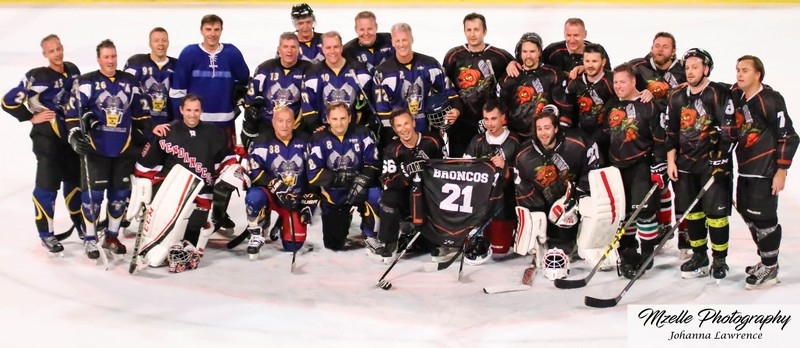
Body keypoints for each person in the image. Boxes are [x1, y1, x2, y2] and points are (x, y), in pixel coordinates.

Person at [65, 39, 151, 259]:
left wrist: (142, 136)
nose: (111, 61)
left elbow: (142, 112)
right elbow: (72, 112)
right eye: (106, 57)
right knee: (92, 197)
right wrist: (74, 134)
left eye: (113, 56)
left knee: (119, 196)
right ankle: (91, 239)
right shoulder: (86, 82)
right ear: (98, 59)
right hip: (96, 150)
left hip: (123, 149)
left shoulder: (130, 82)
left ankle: (111, 236)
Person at [132, 94, 239, 269]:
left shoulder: (214, 133)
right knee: (167, 236)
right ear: (181, 110)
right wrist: (143, 191)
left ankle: (183, 249)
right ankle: (160, 246)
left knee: (191, 234)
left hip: (202, 192)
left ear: (201, 111)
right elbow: (145, 166)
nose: (192, 114)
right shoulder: (166, 131)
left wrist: (234, 171)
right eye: (188, 110)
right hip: (172, 191)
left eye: (196, 110)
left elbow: (226, 159)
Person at [722, 55, 798, 289]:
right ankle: (765, 259)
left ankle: (771, 266)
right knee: (748, 213)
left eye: (745, 70)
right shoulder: (740, 97)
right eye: (737, 70)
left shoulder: (770, 100)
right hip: (745, 170)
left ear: (758, 74)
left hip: (764, 171)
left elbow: (789, 136)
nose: (739, 74)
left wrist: (781, 171)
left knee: (764, 219)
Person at [2, 34, 82, 253]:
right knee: (47, 186)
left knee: (75, 182)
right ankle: (46, 234)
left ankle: (82, 226)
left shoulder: (73, 70)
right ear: (45, 54)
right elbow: (7, 101)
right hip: (47, 140)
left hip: (70, 138)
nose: (57, 54)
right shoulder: (36, 76)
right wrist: (30, 116)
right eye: (51, 51)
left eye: (59, 48)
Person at [168, 14, 249, 232]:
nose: (212, 34)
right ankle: (192, 211)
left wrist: (237, 98)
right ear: (201, 30)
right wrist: (181, 122)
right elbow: (177, 89)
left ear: (221, 30)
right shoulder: (190, 53)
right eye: (208, 29)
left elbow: (244, 80)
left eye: (216, 29)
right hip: (197, 125)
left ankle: (220, 213)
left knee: (227, 170)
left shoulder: (231, 53)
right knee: (195, 169)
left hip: (224, 125)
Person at [664, 48, 734, 280]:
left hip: (712, 165)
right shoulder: (676, 96)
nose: (690, 71)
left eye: (695, 67)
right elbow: (671, 132)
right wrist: (671, 160)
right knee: (691, 214)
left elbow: (730, 130)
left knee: (716, 215)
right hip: (685, 166)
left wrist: (722, 157)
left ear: (706, 69)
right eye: (687, 67)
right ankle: (699, 256)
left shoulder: (719, 93)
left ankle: (720, 260)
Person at [596, 63, 666, 279]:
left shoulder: (649, 105)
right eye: (615, 82)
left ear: (634, 82)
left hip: (641, 166)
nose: (618, 86)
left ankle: (647, 253)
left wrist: (659, 165)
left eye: (622, 82)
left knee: (644, 212)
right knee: (624, 215)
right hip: (617, 168)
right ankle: (628, 253)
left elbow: (661, 138)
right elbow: (606, 136)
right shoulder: (611, 105)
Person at [515, 106, 598, 257]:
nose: (543, 133)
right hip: (545, 206)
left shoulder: (577, 144)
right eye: (539, 129)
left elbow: (592, 170)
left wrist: (576, 195)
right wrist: (536, 215)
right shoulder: (523, 155)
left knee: (567, 244)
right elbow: (523, 186)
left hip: (573, 201)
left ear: (556, 128)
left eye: (547, 128)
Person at [629, 31, 685, 254]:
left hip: (680, 138)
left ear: (673, 50)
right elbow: (615, 78)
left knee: (681, 188)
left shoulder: (684, 70)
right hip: (650, 138)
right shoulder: (638, 67)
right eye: (657, 45)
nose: (660, 49)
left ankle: (685, 239)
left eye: (665, 46)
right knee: (658, 186)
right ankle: (662, 227)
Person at [307, 102, 380, 251]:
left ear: (350, 118)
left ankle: (370, 234)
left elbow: (374, 163)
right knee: (333, 244)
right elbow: (313, 175)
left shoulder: (363, 133)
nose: (339, 123)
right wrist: (344, 178)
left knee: (376, 194)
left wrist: (363, 179)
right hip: (334, 192)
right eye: (334, 119)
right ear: (327, 119)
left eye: (343, 118)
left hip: (360, 187)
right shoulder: (318, 139)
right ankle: (344, 216)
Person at [374, 108, 445, 260]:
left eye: (406, 123)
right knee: (388, 197)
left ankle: (440, 239)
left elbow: (447, 167)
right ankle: (389, 242)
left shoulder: (433, 140)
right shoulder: (392, 149)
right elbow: (387, 181)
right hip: (406, 193)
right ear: (394, 129)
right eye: (398, 126)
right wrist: (405, 173)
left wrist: (428, 169)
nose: (404, 129)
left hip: (431, 192)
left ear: (414, 123)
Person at [243, 106, 315, 256]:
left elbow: (315, 170)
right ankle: (258, 230)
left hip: (294, 199)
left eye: (289, 121)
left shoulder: (306, 141)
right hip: (269, 195)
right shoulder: (261, 142)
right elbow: (253, 170)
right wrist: (274, 184)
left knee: (293, 245)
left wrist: (310, 198)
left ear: (294, 122)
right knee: (254, 197)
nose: (285, 125)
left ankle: (284, 221)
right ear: (273, 122)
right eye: (280, 121)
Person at [374, 23, 461, 143]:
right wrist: (395, 135)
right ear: (392, 43)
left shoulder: (430, 65)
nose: (401, 44)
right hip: (400, 137)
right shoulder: (383, 72)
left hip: (429, 134)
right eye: (397, 41)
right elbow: (382, 111)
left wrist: (456, 109)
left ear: (412, 40)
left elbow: (450, 93)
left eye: (404, 40)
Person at [442, 12, 514, 158]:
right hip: (460, 123)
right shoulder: (453, 56)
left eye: (476, 29)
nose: (472, 34)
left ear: (484, 31)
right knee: (460, 164)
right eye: (469, 30)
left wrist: (514, 62)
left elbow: (517, 73)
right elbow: (445, 87)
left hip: (489, 122)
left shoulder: (500, 56)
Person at [462, 100, 522, 263]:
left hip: (505, 202)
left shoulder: (515, 141)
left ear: (503, 118)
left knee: (499, 253)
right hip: (479, 200)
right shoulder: (477, 140)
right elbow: (464, 169)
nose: (489, 124)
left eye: (493, 119)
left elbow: (524, 173)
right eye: (486, 119)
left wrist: (506, 167)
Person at [241, 32, 311, 147]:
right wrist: (251, 118)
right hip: (267, 126)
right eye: (285, 46)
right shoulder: (264, 69)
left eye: (293, 47)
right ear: (279, 49)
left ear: (299, 49)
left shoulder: (308, 70)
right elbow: (250, 100)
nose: (289, 51)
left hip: (297, 128)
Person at [300, 31, 373, 131]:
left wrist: (358, 127)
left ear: (342, 47)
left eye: (336, 47)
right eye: (328, 48)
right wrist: (318, 128)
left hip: (354, 129)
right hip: (324, 130)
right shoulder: (312, 74)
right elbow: (308, 107)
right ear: (322, 49)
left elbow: (367, 105)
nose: (332, 51)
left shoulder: (360, 71)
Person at [499, 32, 565, 137]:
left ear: (539, 52)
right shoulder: (510, 76)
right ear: (520, 53)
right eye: (525, 51)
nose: (528, 56)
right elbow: (501, 106)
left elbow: (563, 105)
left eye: (532, 51)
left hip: (544, 136)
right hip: (514, 135)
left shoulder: (553, 74)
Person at [507, 18, 611, 80]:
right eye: (568, 35)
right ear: (564, 34)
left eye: (576, 35)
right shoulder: (553, 50)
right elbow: (531, 60)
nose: (572, 40)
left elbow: (608, 77)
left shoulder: (596, 52)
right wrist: (513, 63)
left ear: (585, 34)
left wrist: (588, 68)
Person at [124, 27, 177, 126]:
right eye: (156, 41)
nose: (161, 44)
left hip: (168, 125)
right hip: (141, 124)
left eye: (164, 40)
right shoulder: (136, 63)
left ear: (168, 43)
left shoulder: (176, 65)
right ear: (150, 44)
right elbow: (125, 93)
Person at [562, 43, 614, 139]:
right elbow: (568, 110)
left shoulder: (613, 81)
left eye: (594, 61)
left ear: (603, 62)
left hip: (607, 138)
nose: (590, 65)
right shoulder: (575, 82)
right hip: (581, 136)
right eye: (587, 61)